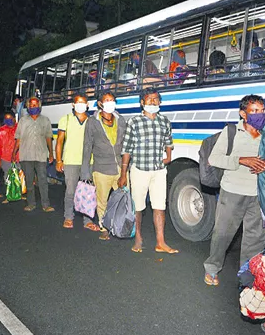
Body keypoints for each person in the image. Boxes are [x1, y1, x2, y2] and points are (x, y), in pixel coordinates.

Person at [203, 95, 265, 286]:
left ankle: (247, 277)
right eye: (254, 111)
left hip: (259, 194)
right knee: (223, 234)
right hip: (232, 192)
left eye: (262, 110)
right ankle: (212, 268)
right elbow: (214, 159)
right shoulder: (231, 132)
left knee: (255, 239)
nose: (259, 114)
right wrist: (241, 160)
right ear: (243, 113)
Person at [118, 88, 177, 254]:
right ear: (142, 103)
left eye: (156, 99)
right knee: (138, 206)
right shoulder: (134, 122)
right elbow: (127, 149)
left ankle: (161, 242)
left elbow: (168, 141)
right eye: (149, 99)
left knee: (159, 206)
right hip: (139, 170)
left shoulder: (164, 121)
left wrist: (169, 156)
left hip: (159, 170)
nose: (153, 102)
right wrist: (124, 174)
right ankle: (138, 238)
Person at [81, 91, 127, 240]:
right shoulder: (92, 121)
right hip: (101, 168)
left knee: (124, 198)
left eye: (112, 100)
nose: (110, 103)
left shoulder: (121, 120)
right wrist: (85, 171)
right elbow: (87, 146)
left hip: (120, 167)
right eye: (106, 100)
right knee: (102, 201)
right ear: (100, 104)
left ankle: (122, 225)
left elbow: (126, 144)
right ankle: (103, 227)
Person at [55, 92, 100, 230]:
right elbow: (59, 141)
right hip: (70, 161)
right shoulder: (66, 119)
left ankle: (88, 221)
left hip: (89, 162)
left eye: (83, 102)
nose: (80, 105)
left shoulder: (93, 121)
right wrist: (58, 160)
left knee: (89, 191)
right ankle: (68, 217)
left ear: (87, 105)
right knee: (70, 191)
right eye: (78, 102)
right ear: (73, 105)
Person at [13, 97, 55, 212]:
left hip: (41, 155)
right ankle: (31, 203)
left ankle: (46, 204)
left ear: (39, 106)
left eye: (35, 104)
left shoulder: (45, 120)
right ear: (28, 106)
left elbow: (48, 138)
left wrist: (51, 153)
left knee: (42, 181)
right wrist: (14, 153)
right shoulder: (23, 121)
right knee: (29, 181)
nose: (33, 107)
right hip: (26, 155)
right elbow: (18, 139)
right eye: (31, 105)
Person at [0, 112, 20, 204]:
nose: (8, 120)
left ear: (14, 118)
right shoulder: (0, 130)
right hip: (6, 158)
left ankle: (20, 194)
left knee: (20, 177)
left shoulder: (20, 128)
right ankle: (8, 196)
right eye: (6, 118)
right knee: (7, 177)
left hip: (19, 157)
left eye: (10, 118)